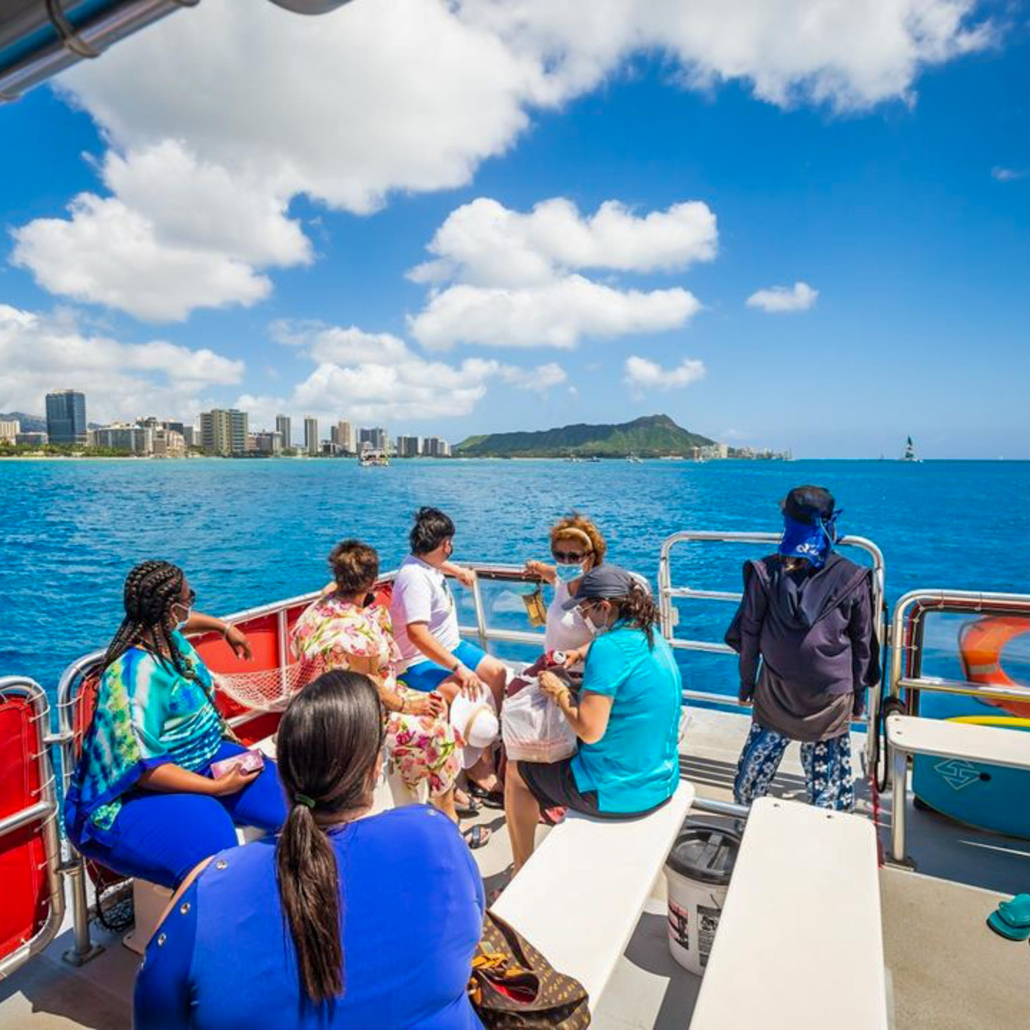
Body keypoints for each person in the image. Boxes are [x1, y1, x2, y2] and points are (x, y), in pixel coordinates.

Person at [134, 670, 486, 1030]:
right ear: (374, 768)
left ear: (282, 774)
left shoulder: (208, 888)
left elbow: (154, 1011)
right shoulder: (436, 835)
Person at [64, 561, 287, 889]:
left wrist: (222, 627)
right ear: (171, 608)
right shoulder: (133, 677)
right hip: (132, 791)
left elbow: (187, 621)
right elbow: (142, 766)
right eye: (190, 597)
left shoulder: (166, 634)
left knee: (294, 801)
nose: (192, 604)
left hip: (204, 758)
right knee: (212, 844)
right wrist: (217, 789)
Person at [504, 565, 683, 872]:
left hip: (617, 793)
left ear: (604, 606)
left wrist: (560, 692)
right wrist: (581, 653)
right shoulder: (651, 634)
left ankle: (520, 870)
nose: (582, 616)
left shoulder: (607, 648)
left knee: (515, 772)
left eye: (585, 608)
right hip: (663, 780)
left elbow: (590, 731)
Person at [725, 485, 881, 812]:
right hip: (832, 697)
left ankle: (744, 817)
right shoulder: (853, 577)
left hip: (775, 690)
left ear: (788, 523)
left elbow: (750, 633)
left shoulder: (765, 571)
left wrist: (746, 685)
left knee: (757, 764)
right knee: (828, 777)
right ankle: (827, 831)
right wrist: (859, 698)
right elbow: (862, 643)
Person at [290, 539, 465, 828]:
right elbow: (367, 684)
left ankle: (425, 785)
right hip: (360, 717)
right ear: (372, 581)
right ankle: (448, 816)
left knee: (433, 708)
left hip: (324, 704)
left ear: (338, 578)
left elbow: (329, 596)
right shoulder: (359, 634)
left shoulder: (317, 610)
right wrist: (409, 705)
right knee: (438, 728)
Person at [390, 507, 508, 803]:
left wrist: (457, 571)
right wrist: (460, 668)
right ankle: (467, 769)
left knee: (497, 673)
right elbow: (417, 635)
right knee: (463, 689)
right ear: (445, 544)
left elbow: (435, 568)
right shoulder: (414, 578)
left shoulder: (426, 565)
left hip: (450, 644)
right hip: (417, 659)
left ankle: (484, 752)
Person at [524, 513, 606, 656]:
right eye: (559, 555)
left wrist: (578, 655)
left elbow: (607, 643)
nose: (565, 562)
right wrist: (535, 565)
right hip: (552, 665)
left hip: (578, 674)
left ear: (590, 558)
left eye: (574, 557)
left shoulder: (594, 596)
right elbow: (549, 570)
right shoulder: (562, 581)